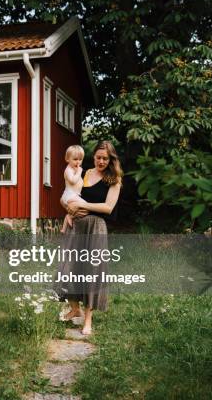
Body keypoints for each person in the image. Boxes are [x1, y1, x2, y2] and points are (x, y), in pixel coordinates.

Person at [56, 140, 123, 335]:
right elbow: (70, 195)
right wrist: (69, 211)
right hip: (76, 226)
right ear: (93, 156)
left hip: (96, 227)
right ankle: (74, 308)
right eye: (98, 157)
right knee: (69, 266)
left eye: (105, 158)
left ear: (111, 160)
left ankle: (88, 320)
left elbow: (107, 208)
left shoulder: (114, 179)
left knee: (92, 271)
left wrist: (83, 207)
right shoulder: (85, 173)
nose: (101, 161)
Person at [60, 145, 86, 234]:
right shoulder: (68, 170)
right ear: (67, 159)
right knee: (87, 206)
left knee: (83, 210)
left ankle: (64, 228)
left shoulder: (75, 169)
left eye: (80, 159)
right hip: (70, 195)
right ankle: (70, 217)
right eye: (75, 159)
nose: (78, 162)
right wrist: (79, 172)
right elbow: (72, 181)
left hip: (73, 195)